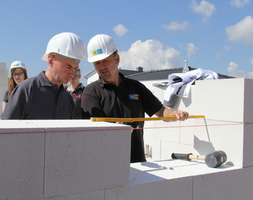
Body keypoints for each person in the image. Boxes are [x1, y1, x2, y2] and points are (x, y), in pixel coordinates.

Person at [81, 34, 189, 163]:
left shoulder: (136, 87)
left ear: (117, 59)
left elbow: (160, 111)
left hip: (138, 163)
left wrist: (173, 113)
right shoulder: (91, 91)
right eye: (97, 63)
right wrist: (114, 131)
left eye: (105, 60)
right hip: (105, 164)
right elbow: (91, 130)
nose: (101, 66)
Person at [1, 32, 86, 119]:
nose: (72, 74)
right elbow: (6, 130)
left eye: (75, 68)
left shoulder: (67, 99)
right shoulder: (26, 90)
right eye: (68, 66)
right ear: (51, 61)